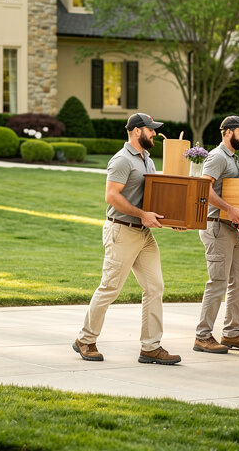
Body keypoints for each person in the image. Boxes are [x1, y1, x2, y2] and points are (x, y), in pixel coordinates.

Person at [73, 112, 182, 365]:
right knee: (110, 288)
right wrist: (142, 214)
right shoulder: (122, 160)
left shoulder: (148, 160)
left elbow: (152, 198)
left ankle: (151, 347)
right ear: (136, 131)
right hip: (121, 231)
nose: (154, 133)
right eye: (150, 129)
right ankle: (85, 340)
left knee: (155, 287)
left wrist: (173, 220)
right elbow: (112, 196)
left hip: (143, 234)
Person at [192, 115, 239, 353]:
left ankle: (231, 334)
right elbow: (204, 188)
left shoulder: (233, 158)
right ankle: (202, 336)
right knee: (218, 282)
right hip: (216, 226)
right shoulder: (217, 157)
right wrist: (229, 209)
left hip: (229, 228)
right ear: (229, 132)